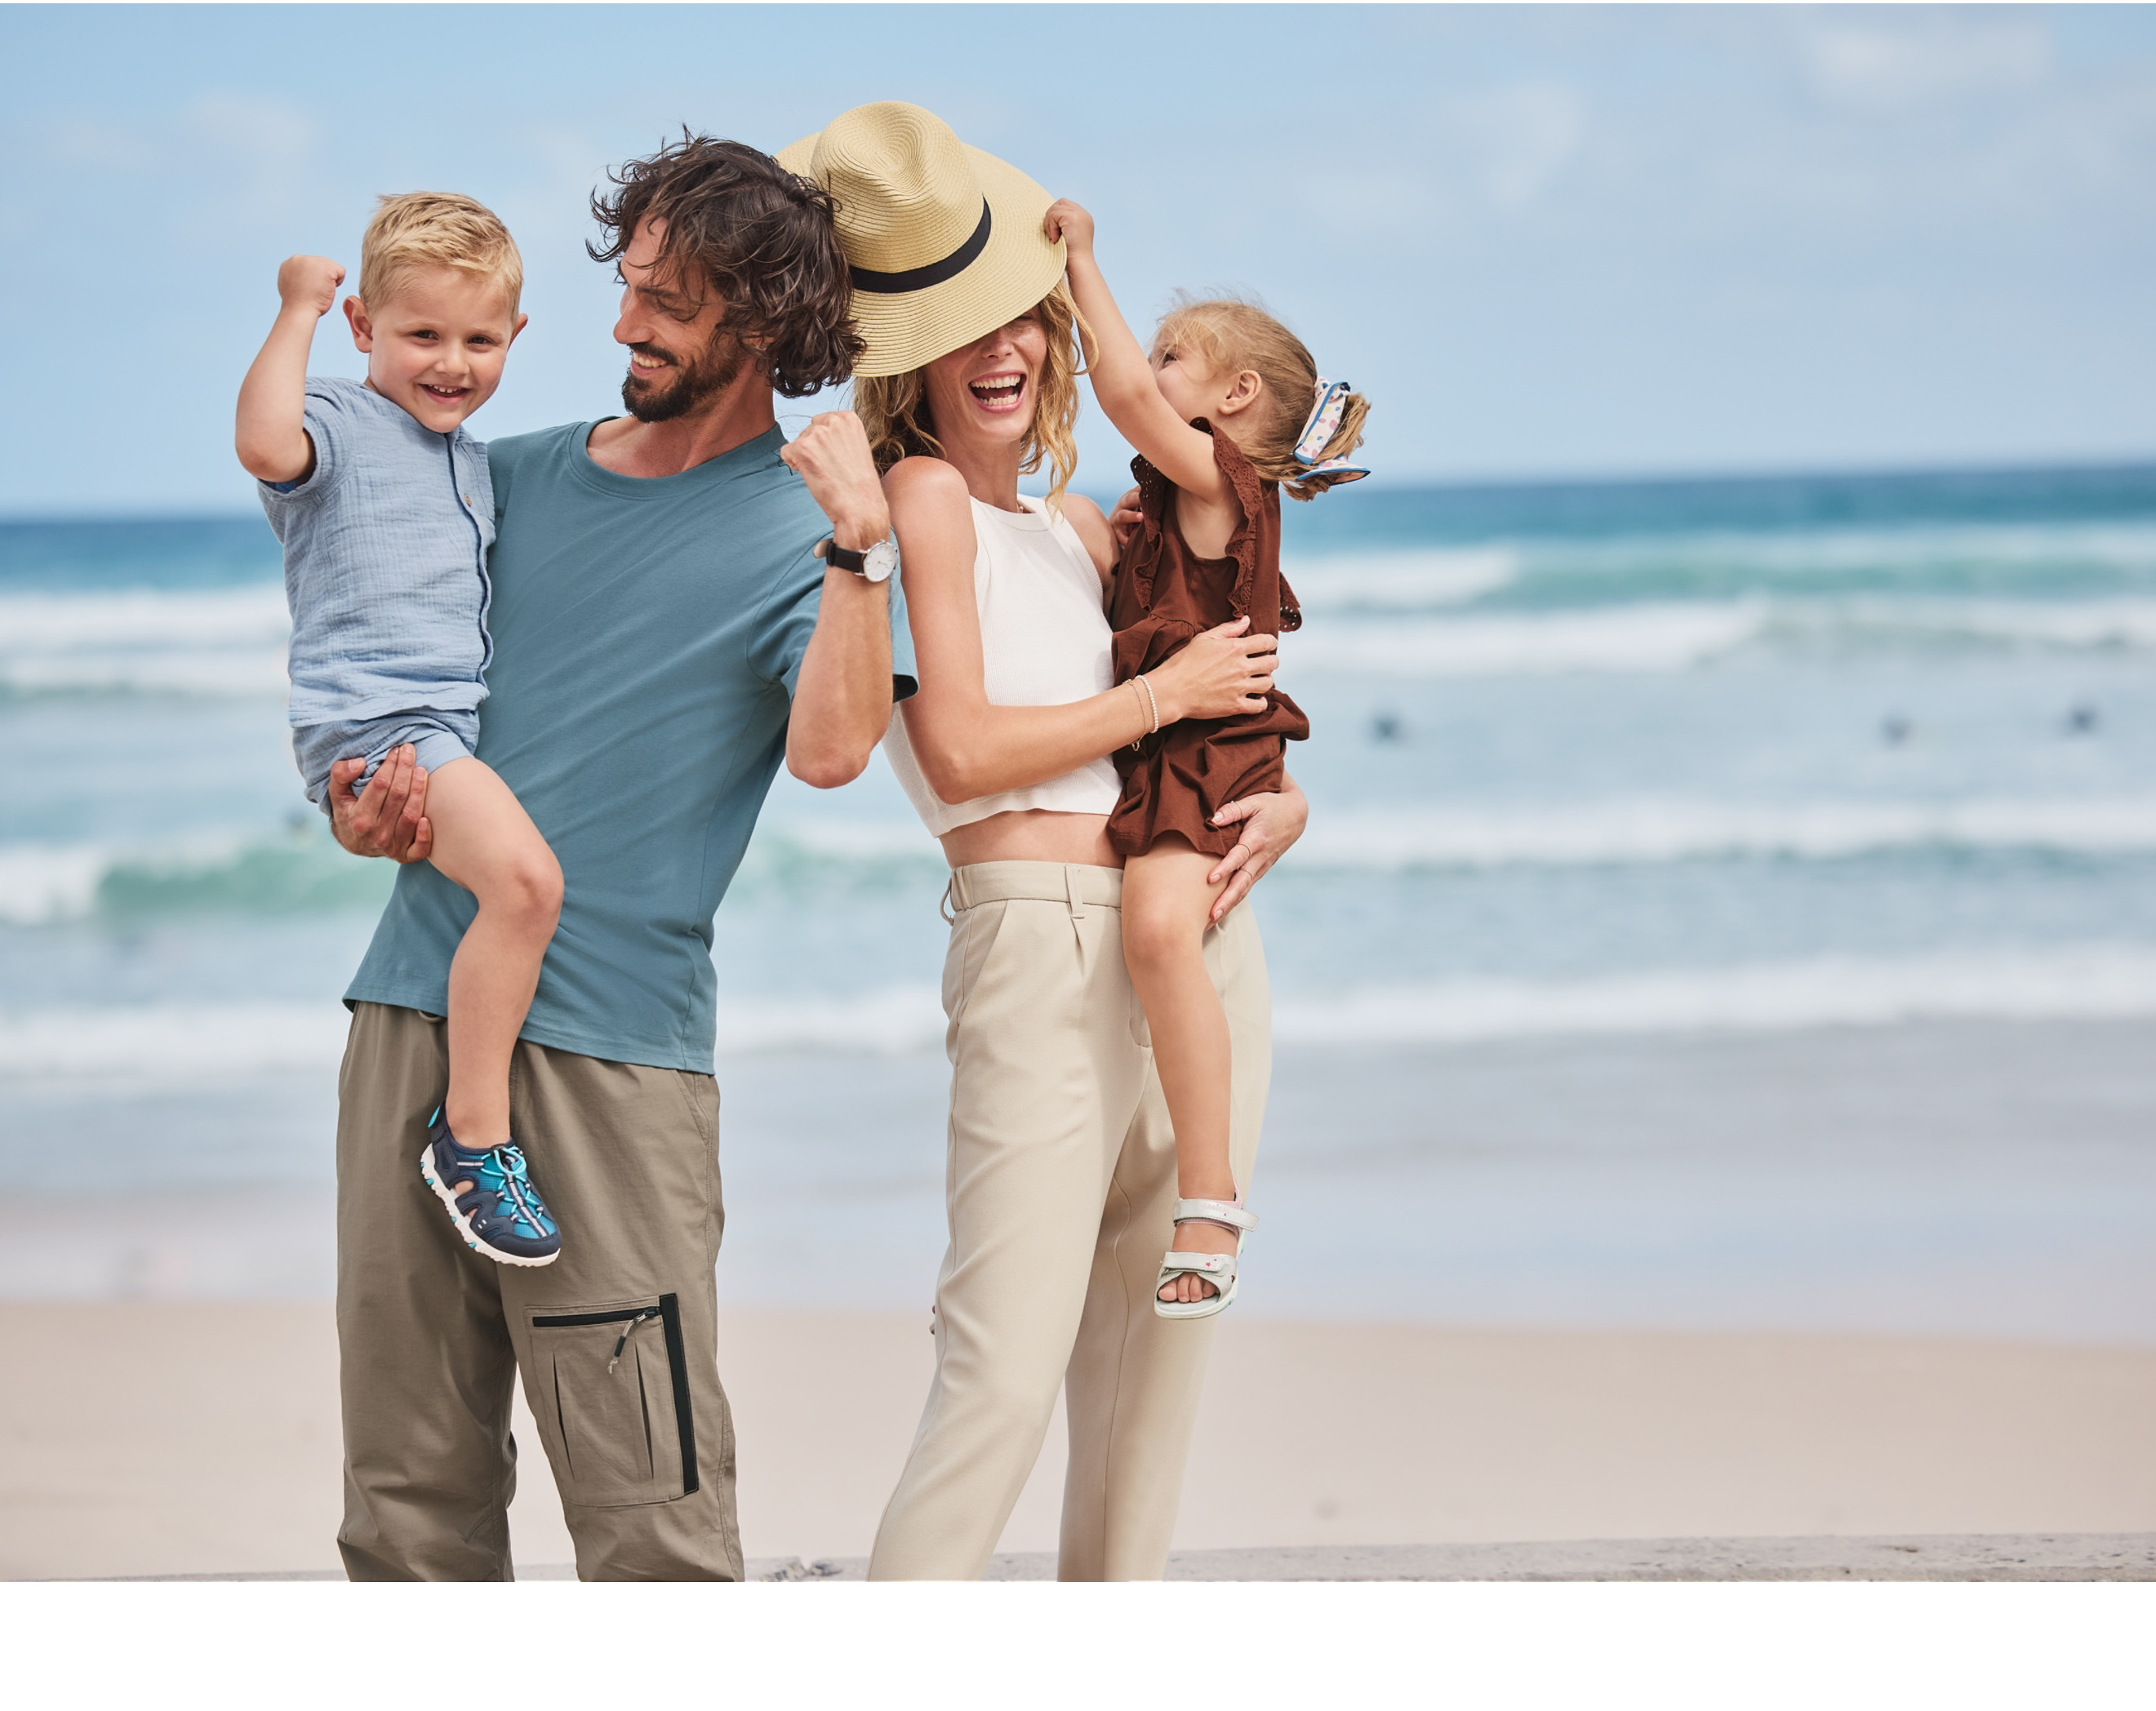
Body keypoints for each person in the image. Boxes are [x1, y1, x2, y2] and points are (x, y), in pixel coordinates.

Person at [322, 134, 911, 1583]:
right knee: (404, 1503)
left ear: (761, 322)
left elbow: (835, 749)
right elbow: (389, 701)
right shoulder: (499, 478)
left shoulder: (805, 527)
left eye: (666, 302)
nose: (624, 325)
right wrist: (360, 809)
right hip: (414, 1011)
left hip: (615, 1062)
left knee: (653, 1517)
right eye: (629, 286)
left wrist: (861, 543)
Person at [777, 102, 1309, 1580]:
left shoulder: (1083, 529)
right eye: (962, 328)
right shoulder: (922, 498)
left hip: (1194, 933)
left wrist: (1284, 797)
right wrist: (1161, 695)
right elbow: (958, 750)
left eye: (1021, 314)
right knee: (1003, 1372)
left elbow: (1208, 682)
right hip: (1038, 941)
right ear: (912, 361)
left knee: (1149, 1397)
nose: (1001, 347)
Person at [1044, 200, 1371, 1319]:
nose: (1150, 372)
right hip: (1173, 739)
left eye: (1172, 357)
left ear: (1234, 397)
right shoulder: (1173, 504)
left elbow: (1124, 396)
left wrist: (1083, 264)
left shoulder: (1228, 482)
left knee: (1156, 932)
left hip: (1208, 750)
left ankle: (1213, 1196)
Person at [236, 192, 569, 1270]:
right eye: (422, 334)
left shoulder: (468, 458)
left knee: (513, 887)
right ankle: (472, 1137)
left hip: (436, 722)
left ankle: (473, 1128)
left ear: (516, 337)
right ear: (363, 327)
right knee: (528, 886)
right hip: (383, 722)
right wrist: (295, 306)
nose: (452, 363)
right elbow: (263, 440)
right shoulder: (338, 420)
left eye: (480, 340)